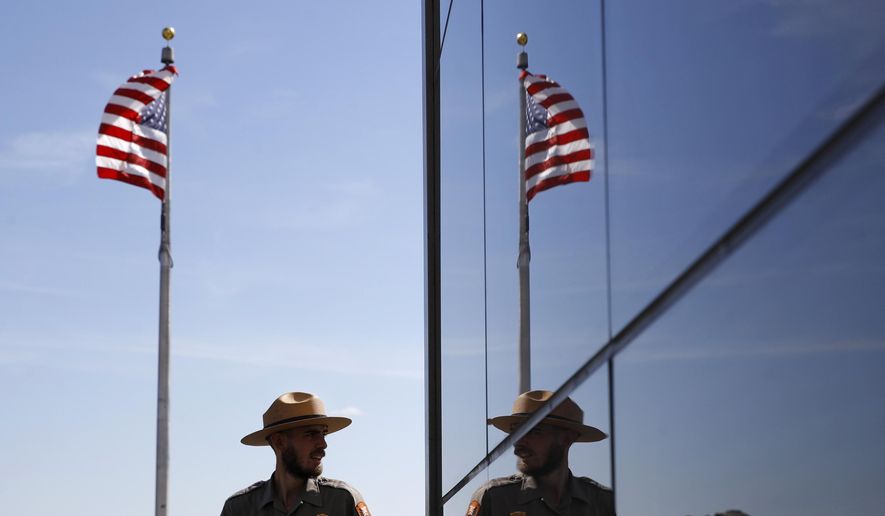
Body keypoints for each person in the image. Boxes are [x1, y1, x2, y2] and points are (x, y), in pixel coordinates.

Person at [466, 390, 615, 516]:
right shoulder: (494, 498)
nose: (519, 443)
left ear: (566, 439)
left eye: (533, 431)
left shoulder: (601, 502)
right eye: (515, 432)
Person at [221, 391, 371, 516]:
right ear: (279, 442)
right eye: (311, 434)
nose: (323, 444)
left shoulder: (342, 500)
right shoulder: (239, 509)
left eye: (323, 434)